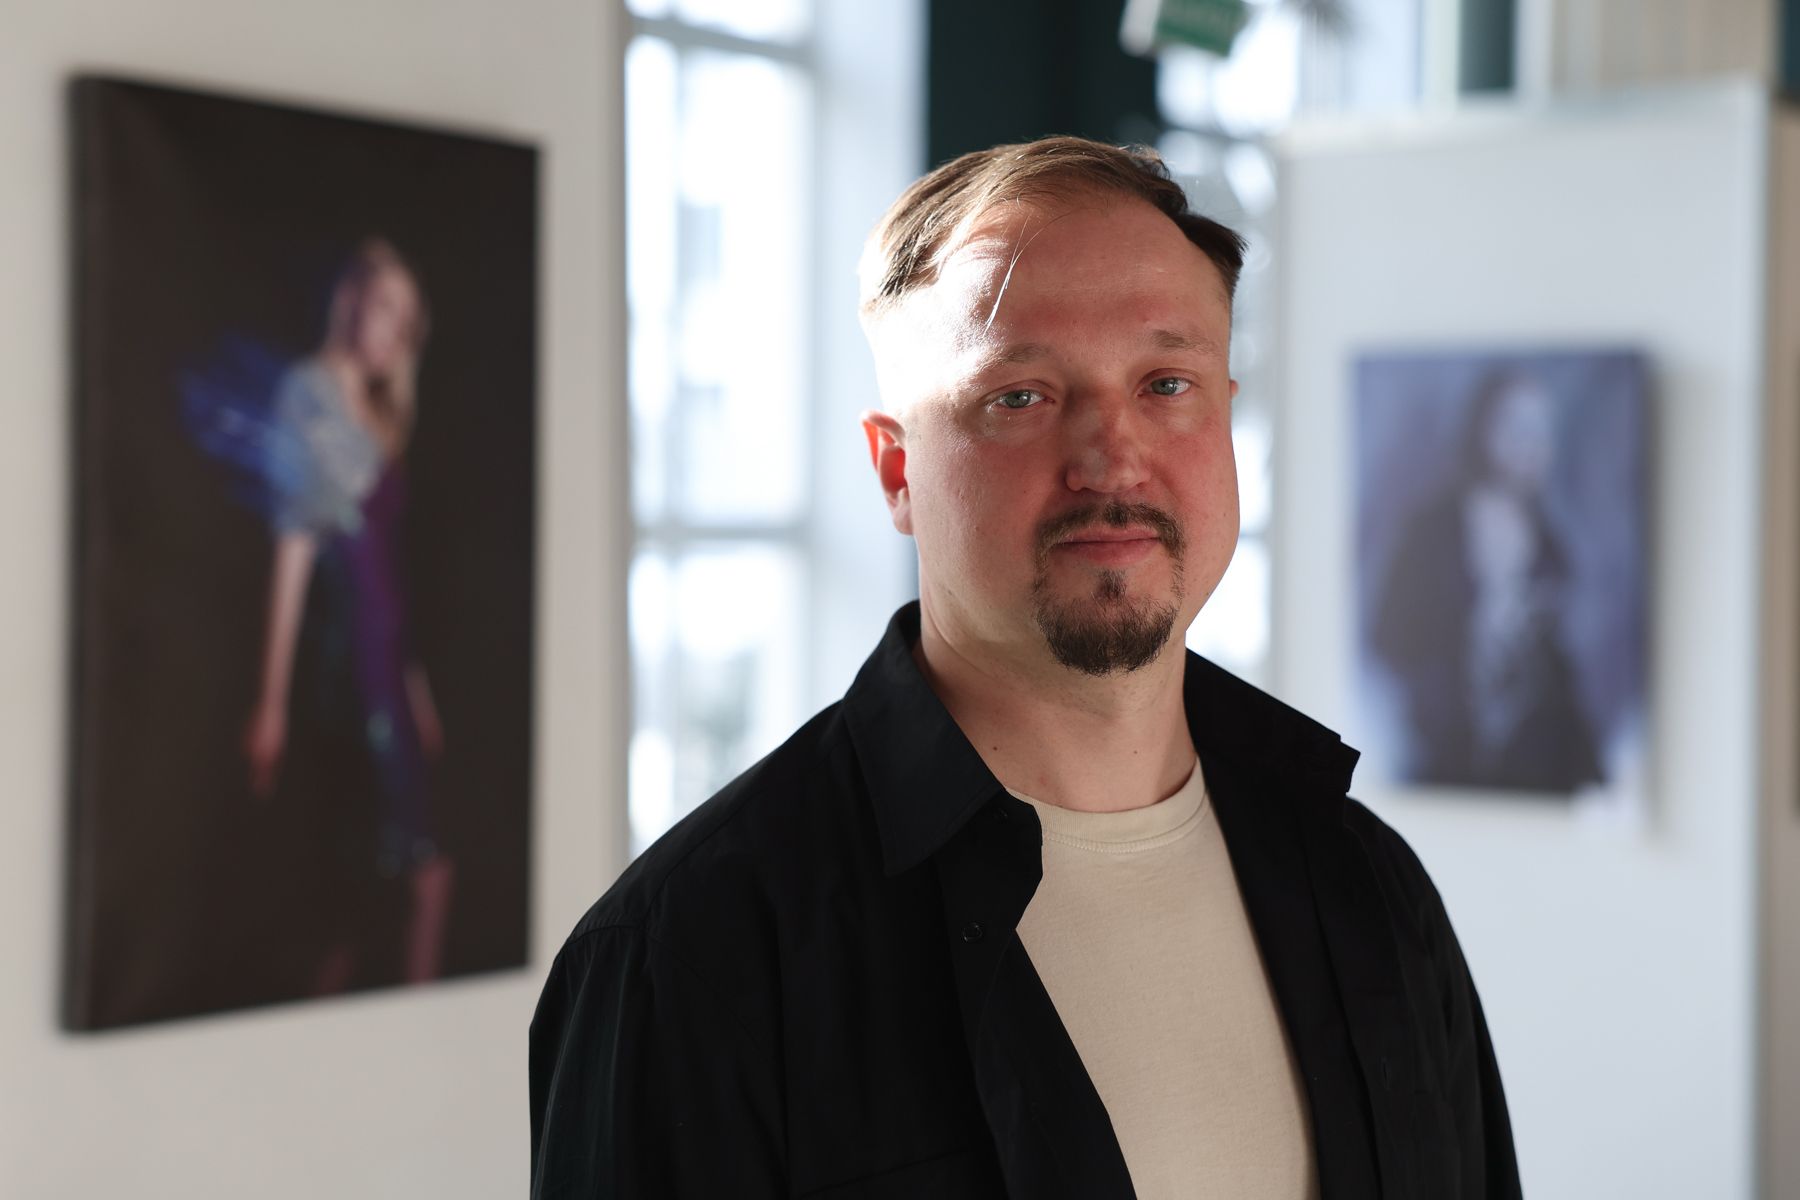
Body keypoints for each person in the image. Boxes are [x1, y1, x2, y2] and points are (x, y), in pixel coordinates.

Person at [530, 138, 1520, 1198]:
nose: (1111, 456)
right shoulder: (690, 955)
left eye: (1166, 383)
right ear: (897, 469)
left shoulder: (1367, 884)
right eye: (1021, 396)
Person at [234, 237, 454, 990]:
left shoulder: (383, 409)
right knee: (402, 878)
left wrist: (415, 688)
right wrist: (270, 701)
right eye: (384, 304)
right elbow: (294, 546)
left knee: (384, 887)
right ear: (352, 300)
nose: (393, 328)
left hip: (388, 662)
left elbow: (391, 571)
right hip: (347, 667)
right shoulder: (310, 394)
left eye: (406, 317)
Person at [1368, 370, 1605, 793]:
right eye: (1515, 425)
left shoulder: (1553, 552)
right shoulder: (1432, 534)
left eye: (1540, 430)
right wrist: (1470, 636)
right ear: (1482, 426)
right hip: (1442, 755)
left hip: (1532, 765)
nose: (1528, 443)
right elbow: (1388, 637)